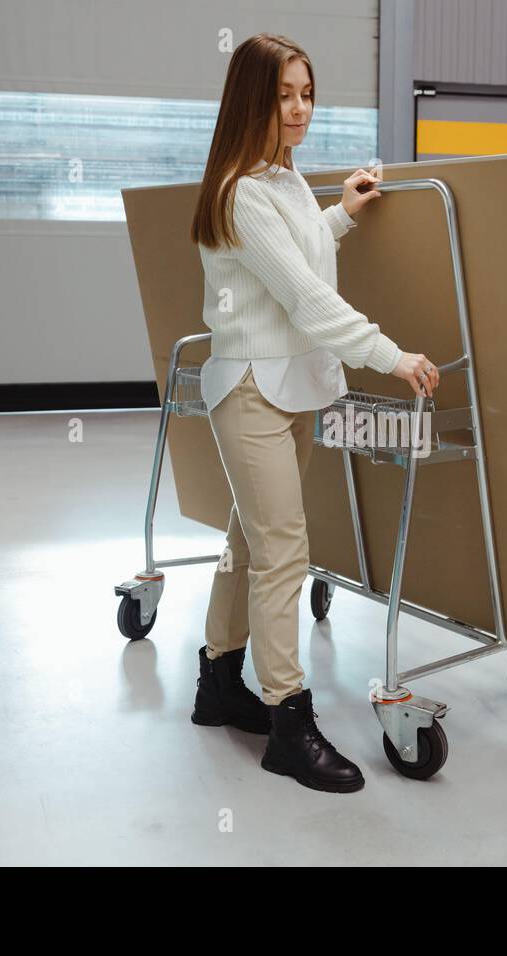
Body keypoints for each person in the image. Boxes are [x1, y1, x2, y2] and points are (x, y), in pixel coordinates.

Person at [188, 33, 440, 793]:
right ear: (251, 103)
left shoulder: (283, 180)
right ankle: (288, 719)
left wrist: (341, 215)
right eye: (283, 97)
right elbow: (304, 297)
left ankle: (219, 680)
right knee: (284, 552)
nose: (298, 110)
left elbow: (295, 259)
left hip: (291, 386)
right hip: (251, 391)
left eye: (306, 94)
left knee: (250, 536)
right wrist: (389, 354)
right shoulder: (240, 190)